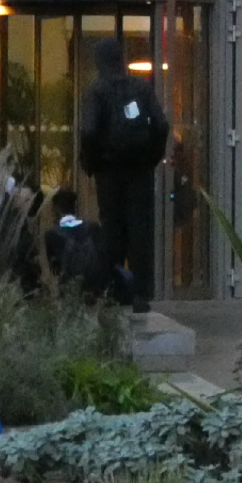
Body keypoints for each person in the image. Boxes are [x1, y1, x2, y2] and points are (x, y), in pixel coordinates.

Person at [76, 36, 169, 311]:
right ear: (122, 59)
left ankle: (111, 289)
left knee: (111, 228)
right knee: (140, 229)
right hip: (140, 169)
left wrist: (90, 162)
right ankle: (141, 293)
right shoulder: (141, 87)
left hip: (109, 170)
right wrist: (152, 158)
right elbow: (161, 125)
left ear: (99, 61)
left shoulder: (96, 91)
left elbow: (88, 131)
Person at [43, 186, 117, 301]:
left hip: (71, 288)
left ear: (56, 209)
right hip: (95, 285)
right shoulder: (93, 227)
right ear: (75, 207)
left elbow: (55, 269)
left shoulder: (51, 234)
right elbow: (104, 257)